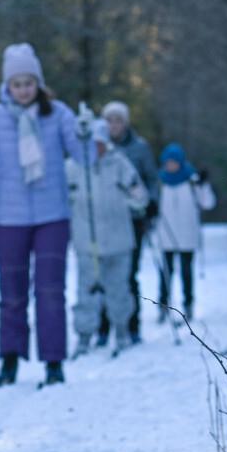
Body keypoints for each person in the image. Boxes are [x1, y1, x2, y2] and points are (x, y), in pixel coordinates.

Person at [0, 43, 79, 387]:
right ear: (7, 86)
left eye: (28, 83)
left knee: (50, 290)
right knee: (11, 292)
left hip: (52, 214)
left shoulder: (58, 114)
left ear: (38, 83)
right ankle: (9, 359)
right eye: (16, 84)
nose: (23, 90)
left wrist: (86, 133)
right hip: (9, 216)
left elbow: (83, 155)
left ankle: (53, 361)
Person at [66, 119, 148, 355]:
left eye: (100, 143)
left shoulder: (119, 163)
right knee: (86, 292)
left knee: (119, 290)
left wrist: (133, 197)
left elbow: (139, 196)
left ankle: (121, 331)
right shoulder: (73, 166)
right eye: (91, 144)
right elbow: (61, 198)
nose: (96, 148)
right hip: (86, 243)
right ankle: (84, 336)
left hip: (118, 241)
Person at [99, 101, 160, 345]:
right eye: (109, 120)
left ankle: (131, 325)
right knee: (102, 274)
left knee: (128, 274)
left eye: (118, 120)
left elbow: (151, 179)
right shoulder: (98, 147)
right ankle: (103, 327)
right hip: (105, 219)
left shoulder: (139, 148)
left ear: (125, 123)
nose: (114, 125)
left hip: (133, 219)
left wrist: (152, 202)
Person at [153, 142, 217, 320]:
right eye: (168, 162)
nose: (171, 165)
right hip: (166, 235)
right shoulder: (161, 181)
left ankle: (188, 305)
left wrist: (204, 184)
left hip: (187, 234)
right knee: (166, 273)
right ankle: (163, 306)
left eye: (174, 162)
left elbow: (208, 203)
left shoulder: (192, 180)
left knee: (186, 273)